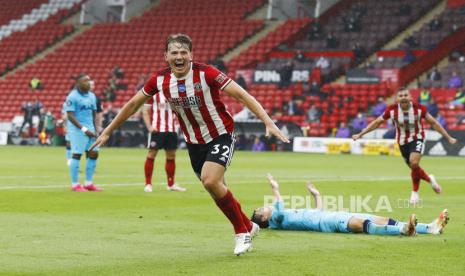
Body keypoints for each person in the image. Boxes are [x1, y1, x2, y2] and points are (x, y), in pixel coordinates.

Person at [90, 34, 289, 255]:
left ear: (191, 55)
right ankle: (249, 225)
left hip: (220, 134)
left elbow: (242, 95)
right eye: (174, 52)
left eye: (183, 52)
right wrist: (107, 131)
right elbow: (133, 104)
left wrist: (268, 121)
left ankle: (241, 233)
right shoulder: (159, 80)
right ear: (166, 56)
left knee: (210, 180)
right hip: (194, 143)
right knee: (216, 189)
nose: (179, 56)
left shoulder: (207, 73)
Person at [251, 174, 449, 236]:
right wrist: (275, 188)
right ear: (265, 218)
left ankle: (429, 228)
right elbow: (279, 203)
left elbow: (317, 211)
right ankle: (404, 231)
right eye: (261, 210)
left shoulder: (284, 217)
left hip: (327, 215)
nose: (264, 207)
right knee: (357, 224)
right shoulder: (277, 219)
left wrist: (316, 195)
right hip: (327, 223)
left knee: (375, 218)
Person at [352, 88, 457, 204]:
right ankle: (430, 179)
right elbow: (377, 122)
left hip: (417, 137)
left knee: (414, 162)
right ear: (397, 99)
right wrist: (360, 134)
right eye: (400, 96)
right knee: (414, 168)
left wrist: (448, 137)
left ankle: (415, 192)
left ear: (410, 97)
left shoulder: (419, 109)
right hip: (402, 142)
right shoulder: (391, 110)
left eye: (405, 95)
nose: (403, 97)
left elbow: (433, 123)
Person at [142, 91, 186, 193]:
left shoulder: (175, 93)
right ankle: (148, 184)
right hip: (157, 130)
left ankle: (171, 184)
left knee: (171, 156)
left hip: (172, 130)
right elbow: (145, 111)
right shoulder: (153, 94)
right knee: (151, 154)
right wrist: (149, 127)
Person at [64, 74, 102, 192]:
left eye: (89, 80)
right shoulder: (72, 97)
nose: (88, 82)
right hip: (77, 130)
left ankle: (88, 183)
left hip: (91, 129)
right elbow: (70, 116)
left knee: (93, 154)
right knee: (77, 155)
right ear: (78, 83)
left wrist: (96, 130)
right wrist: (84, 129)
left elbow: (94, 113)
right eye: (85, 80)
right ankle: (75, 184)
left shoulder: (92, 96)